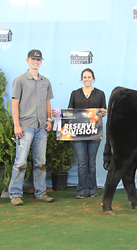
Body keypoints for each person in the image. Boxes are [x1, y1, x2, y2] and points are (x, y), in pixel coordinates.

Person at [9, 49, 54, 206]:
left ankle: (41, 193)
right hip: (25, 126)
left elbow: (47, 102)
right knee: (20, 161)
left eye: (38, 60)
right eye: (33, 59)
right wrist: (16, 125)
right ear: (27, 60)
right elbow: (15, 103)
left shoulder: (45, 81)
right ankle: (15, 194)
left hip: (41, 127)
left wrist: (49, 119)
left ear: (41, 62)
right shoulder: (20, 80)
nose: (36, 62)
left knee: (40, 162)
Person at [53, 68, 107, 199]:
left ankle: (93, 190)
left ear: (93, 78)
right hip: (78, 133)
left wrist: (104, 112)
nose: (87, 79)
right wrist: (60, 114)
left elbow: (104, 110)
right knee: (82, 162)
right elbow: (70, 110)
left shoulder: (100, 94)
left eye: (89, 77)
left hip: (94, 132)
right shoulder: (75, 93)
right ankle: (82, 190)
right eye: (84, 77)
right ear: (81, 79)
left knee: (92, 162)